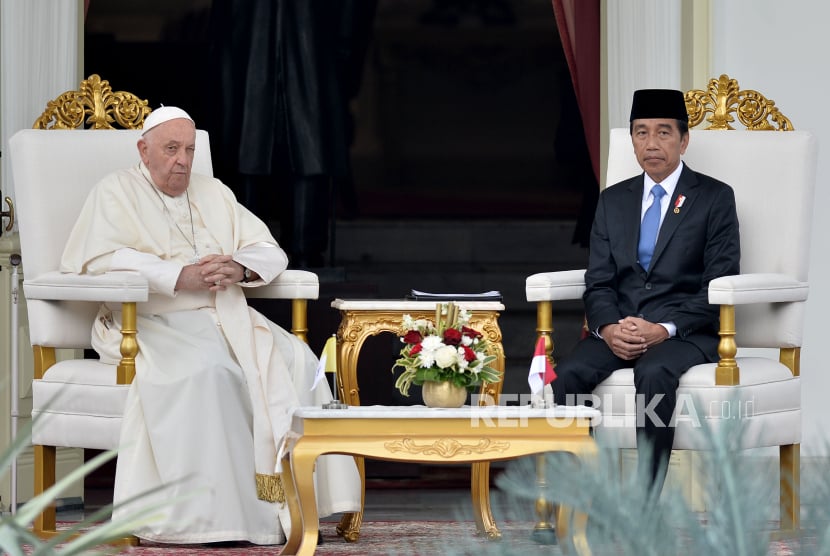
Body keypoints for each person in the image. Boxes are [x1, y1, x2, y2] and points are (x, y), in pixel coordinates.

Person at [59, 107, 361, 545]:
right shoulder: (115, 192)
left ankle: (298, 507)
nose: (183, 160)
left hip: (226, 315)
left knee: (301, 361)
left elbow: (268, 249)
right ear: (144, 151)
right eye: (171, 149)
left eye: (189, 150)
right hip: (149, 321)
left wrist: (238, 267)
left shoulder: (213, 191)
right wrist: (180, 275)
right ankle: (214, 520)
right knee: (212, 372)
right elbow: (100, 260)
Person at [552, 89, 741, 491]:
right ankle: (589, 496)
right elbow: (598, 281)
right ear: (632, 140)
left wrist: (664, 329)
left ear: (683, 140)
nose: (651, 144)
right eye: (641, 133)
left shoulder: (714, 197)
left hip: (686, 331)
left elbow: (718, 282)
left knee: (654, 372)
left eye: (663, 133)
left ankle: (645, 504)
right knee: (566, 376)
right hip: (621, 326)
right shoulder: (612, 201)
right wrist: (608, 328)